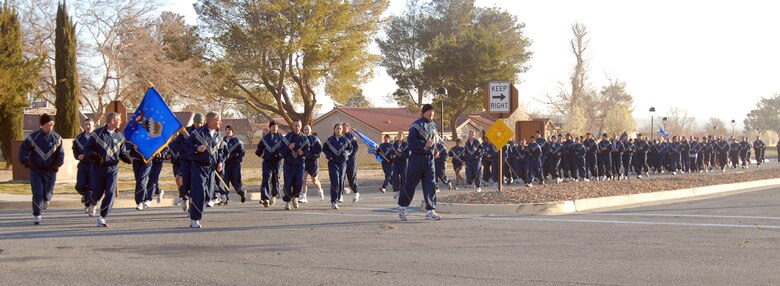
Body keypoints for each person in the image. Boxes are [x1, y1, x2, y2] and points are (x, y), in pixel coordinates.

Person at [84, 112, 131, 227]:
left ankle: (102, 217)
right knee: (97, 192)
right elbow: (87, 149)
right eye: (118, 119)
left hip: (113, 168)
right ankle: (93, 203)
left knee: (110, 192)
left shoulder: (120, 137)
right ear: (112, 121)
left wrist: (130, 159)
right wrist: (94, 156)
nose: (120, 121)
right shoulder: (97, 134)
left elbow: (123, 153)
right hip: (98, 167)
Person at [397, 104, 442, 221]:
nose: (431, 113)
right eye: (429, 111)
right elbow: (410, 142)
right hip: (417, 159)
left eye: (432, 111)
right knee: (411, 183)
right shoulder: (416, 125)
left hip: (429, 160)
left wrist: (435, 150)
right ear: (423, 113)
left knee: (431, 184)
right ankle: (402, 206)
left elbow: (434, 142)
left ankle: (430, 211)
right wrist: (424, 145)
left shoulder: (433, 126)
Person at [19, 113, 64, 225]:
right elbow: (23, 149)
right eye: (49, 124)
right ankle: (37, 214)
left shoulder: (57, 138)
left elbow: (61, 154)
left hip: (50, 170)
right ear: (43, 124)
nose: (51, 126)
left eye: (52, 124)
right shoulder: (33, 137)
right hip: (36, 169)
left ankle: (47, 199)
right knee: (37, 192)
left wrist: (57, 164)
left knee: (48, 192)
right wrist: (25, 160)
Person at [186, 111, 225, 228]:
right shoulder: (197, 133)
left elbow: (220, 150)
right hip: (198, 166)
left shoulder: (218, 135)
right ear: (210, 121)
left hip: (211, 168)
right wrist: (197, 148)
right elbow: (185, 147)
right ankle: (195, 219)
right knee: (200, 191)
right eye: (218, 121)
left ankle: (194, 200)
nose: (220, 123)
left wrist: (220, 162)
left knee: (208, 194)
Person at [171, 113, 203, 212]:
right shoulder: (185, 131)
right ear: (194, 122)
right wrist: (185, 147)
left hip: (197, 162)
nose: (199, 125)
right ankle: (184, 196)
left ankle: (192, 203)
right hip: (185, 160)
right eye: (197, 122)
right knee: (179, 179)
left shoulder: (204, 132)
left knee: (194, 183)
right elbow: (175, 145)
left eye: (201, 122)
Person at [281, 120, 310, 210]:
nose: (297, 127)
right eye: (295, 125)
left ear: (301, 127)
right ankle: (287, 202)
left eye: (299, 125)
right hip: (288, 164)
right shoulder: (287, 137)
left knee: (298, 183)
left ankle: (295, 197)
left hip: (299, 164)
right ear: (293, 126)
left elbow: (308, 150)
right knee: (288, 183)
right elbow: (281, 151)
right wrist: (288, 148)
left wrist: (303, 152)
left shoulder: (304, 138)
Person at [323, 123, 353, 209]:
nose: (339, 130)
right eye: (337, 128)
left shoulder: (345, 140)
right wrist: (329, 156)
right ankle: (333, 201)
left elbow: (350, 149)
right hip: (333, 163)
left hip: (342, 163)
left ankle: (339, 196)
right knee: (335, 180)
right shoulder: (330, 140)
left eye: (340, 129)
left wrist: (345, 153)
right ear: (334, 129)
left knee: (341, 181)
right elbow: (324, 149)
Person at [256, 120, 283, 207]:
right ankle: (265, 198)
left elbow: (285, 149)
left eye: (276, 126)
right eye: (273, 126)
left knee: (275, 179)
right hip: (267, 161)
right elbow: (259, 148)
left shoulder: (281, 138)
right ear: (270, 128)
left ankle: (274, 195)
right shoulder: (265, 138)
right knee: (266, 178)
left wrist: (281, 155)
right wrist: (259, 153)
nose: (275, 128)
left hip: (277, 161)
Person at [73, 118, 95, 214]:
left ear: (93, 126)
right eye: (86, 124)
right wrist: (78, 156)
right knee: (80, 186)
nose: (87, 126)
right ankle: (85, 196)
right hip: (83, 165)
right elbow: (75, 150)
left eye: (89, 124)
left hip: (94, 164)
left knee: (92, 186)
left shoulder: (98, 137)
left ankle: (89, 205)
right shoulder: (79, 138)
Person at [222, 125, 247, 204]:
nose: (228, 131)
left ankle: (242, 192)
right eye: (226, 130)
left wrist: (234, 156)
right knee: (224, 180)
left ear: (232, 131)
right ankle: (225, 198)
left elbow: (242, 152)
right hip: (225, 164)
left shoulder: (236, 141)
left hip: (235, 164)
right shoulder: (223, 141)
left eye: (229, 130)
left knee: (235, 181)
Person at [301, 125, 324, 202]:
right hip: (304, 161)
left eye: (308, 129)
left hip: (313, 162)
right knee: (303, 179)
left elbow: (319, 150)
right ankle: (304, 197)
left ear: (311, 130)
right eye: (305, 129)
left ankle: (320, 189)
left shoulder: (315, 139)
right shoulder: (301, 138)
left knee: (314, 180)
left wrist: (313, 155)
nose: (306, 131)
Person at [128, 141, 153, 211]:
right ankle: (146, 198)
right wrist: (133, 145)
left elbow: (155, 144)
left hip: (147, 161)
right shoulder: (135, 132)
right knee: (139, 181)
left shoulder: (151, 133)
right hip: (136, 160)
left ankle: (139, 202)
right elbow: (126, 145)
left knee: (141, 180)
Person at [342, 123, 360, 202]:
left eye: (345, 128)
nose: (343, 130)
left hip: (351, 160)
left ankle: (356, 192)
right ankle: (340, 195)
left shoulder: (352, 137)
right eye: (342, 128)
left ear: (348, 128)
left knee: (351, 176)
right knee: (341, 177)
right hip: (342, 160)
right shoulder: (340, 137)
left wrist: (349, 154)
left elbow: (356, 147)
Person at [391, 131, 409, 199]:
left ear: (403, 136)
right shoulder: (394, 145)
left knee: (403, 177)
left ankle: (403, 190)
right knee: (395, 176)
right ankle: (396, 190)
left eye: (401, 135)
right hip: (396, 162)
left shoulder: (406, 145)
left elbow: (408, 155)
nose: (399, 136)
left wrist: (401, 153)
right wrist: (393, 155)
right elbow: (391, 153)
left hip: (403, 162)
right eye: (398, 135)